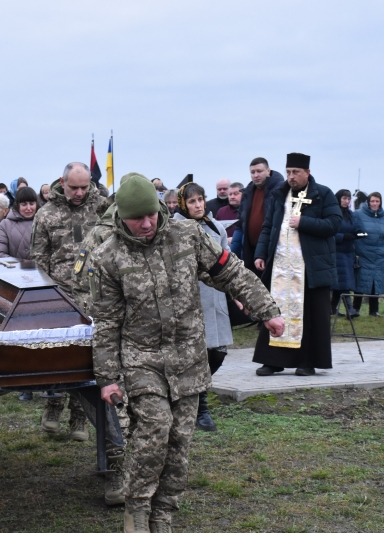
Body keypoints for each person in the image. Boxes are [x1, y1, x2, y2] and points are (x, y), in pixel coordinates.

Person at [91, 173, 283, 532]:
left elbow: (231, 272)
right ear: (121, 217)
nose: (146, 224)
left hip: (188, 357)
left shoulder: (188, 235)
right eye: (137, 218)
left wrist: (266, 310)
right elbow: (106, 322)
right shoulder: (108, 257)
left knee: (179, 440)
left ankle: (163, 514)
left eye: (151, 214)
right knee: (154, 430)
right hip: (142, 360)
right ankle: (137, 510)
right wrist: (108, 378)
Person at [30, 162, 104, 442]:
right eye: (74, 187)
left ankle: (79, 416)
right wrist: (45, 297)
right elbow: (38, 259)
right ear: (63, 183)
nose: (80, 193)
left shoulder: (101, 208)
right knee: (59, 355)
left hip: (94, 295)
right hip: (59, 295)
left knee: (88, 357)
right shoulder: (46, 214)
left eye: (84, 187)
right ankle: (53, 404)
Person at [253, 153, 341, 377]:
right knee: (277, 311)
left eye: (296, 172)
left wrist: (304, 222)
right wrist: (261, 253)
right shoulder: (279, 194)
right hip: (281, 267)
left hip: (309, 268)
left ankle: (307, 361)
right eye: (289, 172)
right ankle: (273, 361)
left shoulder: (323, 194)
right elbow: (268, 226)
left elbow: (334, 224)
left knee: (309, 316)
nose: (291, 177)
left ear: (307, 173)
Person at [172, 183, 232, 432]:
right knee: (194, 355)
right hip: (189, 300)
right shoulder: (174, 228)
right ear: (183, 204)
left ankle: (196, 397)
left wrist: (237, 293)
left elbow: (228, 260)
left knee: (217, 353)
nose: (198, 205)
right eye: (192, 201)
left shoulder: (216, 227)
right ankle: (200, 407)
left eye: (200, 200)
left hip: (215, 298)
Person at [238, 157, 285, 281]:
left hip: (272, 249)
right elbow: (241, 221)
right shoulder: (248, 192)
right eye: (253, 172)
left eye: (259, 171)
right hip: (251, 249)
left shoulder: (279, 190)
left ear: (268, 171)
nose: (256, 175)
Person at [353, 192, 384, 317]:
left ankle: (374, 310)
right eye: (372, 201)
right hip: (363, 253)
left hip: (379, 254)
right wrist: (356, 246)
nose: (375, 204)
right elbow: (352, 230)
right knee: (361, 281)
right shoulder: (358, 214)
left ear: (380, 202)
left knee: (376, 282)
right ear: (368, 202)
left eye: (377, 201)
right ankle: (355, 309)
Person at [331, 189, 359, 316]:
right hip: (337, 251)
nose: (346, 201)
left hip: (348, 251)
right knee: (344, 281)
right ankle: (350, 309)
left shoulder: (350, 214)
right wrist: (342, 237)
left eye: (348, 199)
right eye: (344, 198)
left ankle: (331, 308)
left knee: (341, 281)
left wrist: (358, 233)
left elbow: (355, 227)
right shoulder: (333, 213)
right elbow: (328, 232)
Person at [0, 187, 37, 260]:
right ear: (17, 205)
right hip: (14, 267)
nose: (28, 208)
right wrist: (20, 263)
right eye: (24, 204)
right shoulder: (6, 225)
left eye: (32, 204)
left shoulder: (45, 223)